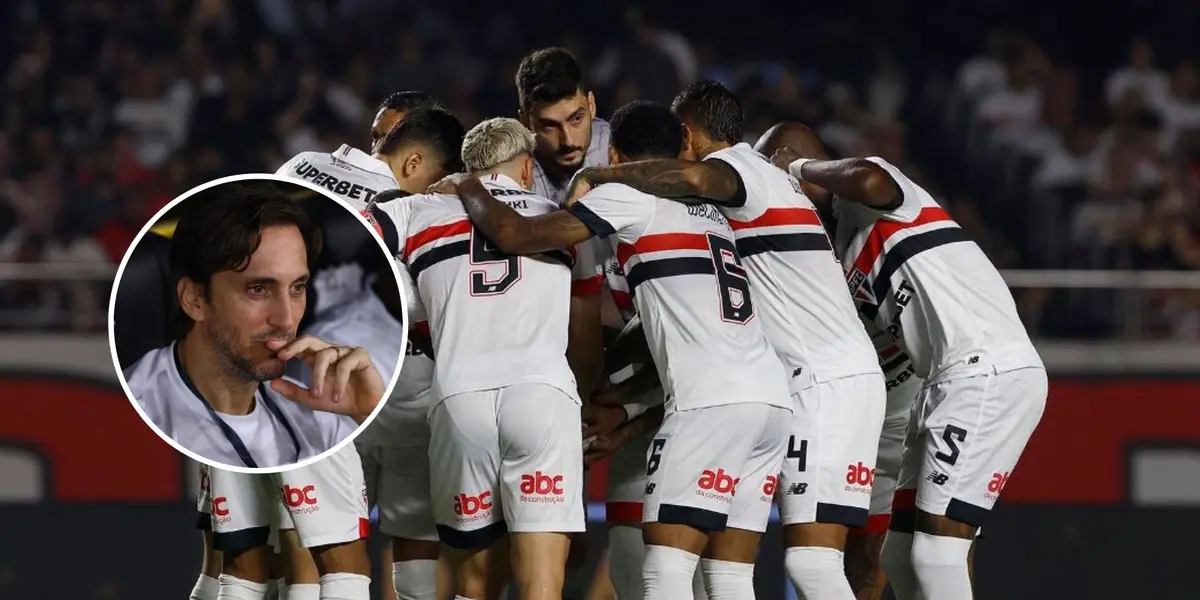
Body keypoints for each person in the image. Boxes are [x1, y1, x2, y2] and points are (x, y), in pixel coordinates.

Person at [448, 101, 793, 600]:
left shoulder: (629, 197)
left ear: (613, 152)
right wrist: (617, 389)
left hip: (710, 406)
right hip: (769, 402)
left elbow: (516, 234)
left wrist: (467, 185)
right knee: (729, 577)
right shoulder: (713, 213)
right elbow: (658, 320)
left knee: (664, 575)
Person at [571, 92, 886, 598]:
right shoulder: (753, 199)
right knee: (729, 572)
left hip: (819, 382)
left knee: (813, 566)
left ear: (689, 137)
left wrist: (602, 177)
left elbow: (693, 178)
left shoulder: (735, 170)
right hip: (816, 382)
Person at [769, 144, 1047, 600]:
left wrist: (797, 166)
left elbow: (866, 176)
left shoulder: (871, 193)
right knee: (898, 551)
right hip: (941, 385)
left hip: (986, 370)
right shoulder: (835, 255)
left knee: (937, 554)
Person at [366, 117, 587, 600]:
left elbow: (354, 245)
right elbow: (591, 311)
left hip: (458, 398)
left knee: (473, 583)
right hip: (542, 395)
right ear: (527, 169)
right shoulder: (556, 214)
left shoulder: (414, 212)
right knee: (542, 584)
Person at [123, 181, 385, 467]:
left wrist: (369, 414)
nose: (286, 319)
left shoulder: (317, 416)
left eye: (297, 288)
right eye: (258, 289)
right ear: (194, 300)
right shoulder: (133, 412)